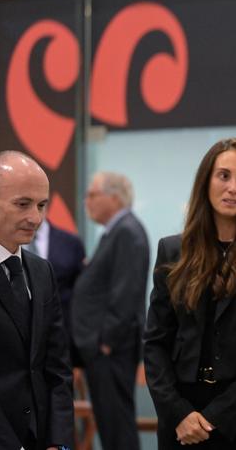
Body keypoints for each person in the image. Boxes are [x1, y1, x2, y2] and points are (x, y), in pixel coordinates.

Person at [144, 138, 236, 448]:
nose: (233, 187)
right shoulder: (172, 250)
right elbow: (156, 343)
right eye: (224, 175)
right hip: (182, 418)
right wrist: (178, 413)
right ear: (205, 182)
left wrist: (217, 416)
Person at [0, 150, 73, 450]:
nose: (36, 218)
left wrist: (59, 442)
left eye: (42, 205)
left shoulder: (42, 272)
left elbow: (57, 368)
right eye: (22, 204)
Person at [72, 171, 150, 450]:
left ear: (114, 198)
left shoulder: (127, 232)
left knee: (117, 427)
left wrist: (105, 343)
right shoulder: (116, 232)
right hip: (105, 350)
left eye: (92, 194)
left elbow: (125, 294)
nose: (86, 201)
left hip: (111, 351)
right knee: (110, 424)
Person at [24, 219, 85, 366]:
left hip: (61, 341)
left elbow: (81, 295)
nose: (33, 214)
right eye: (23, 204)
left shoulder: (71, 243)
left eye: (40, 205)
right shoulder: (4, 243)